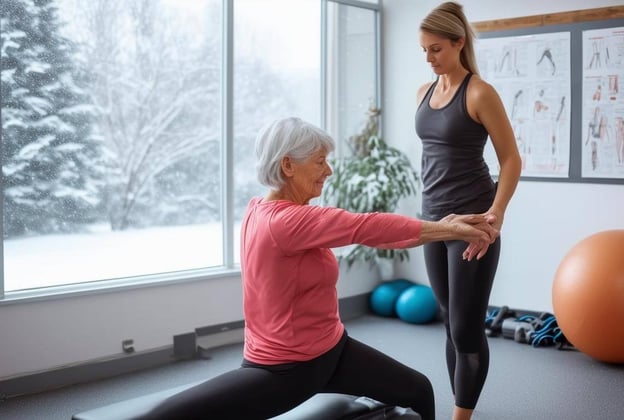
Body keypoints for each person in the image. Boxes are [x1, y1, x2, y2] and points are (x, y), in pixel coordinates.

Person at [145, 117, 498, 420]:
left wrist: (445, 224)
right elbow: (370, 227)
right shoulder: (285, 222)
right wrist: (448, 228)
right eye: (319, 162)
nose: (328, 171)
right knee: (171, 414)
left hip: (333, 349)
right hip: (288, 368)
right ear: (288, 166)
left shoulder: (258, 209)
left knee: (418, 389)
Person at [416, 3, 522, 419]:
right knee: (448, 322)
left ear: (459, 43)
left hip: (472, 223)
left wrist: (496, 215)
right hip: (433, 223)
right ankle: (461, 407)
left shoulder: (479, 93)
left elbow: (511, 159)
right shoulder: (423, 93)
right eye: (424, 50)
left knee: (465, 328)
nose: (429, 58)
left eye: (436, 49)